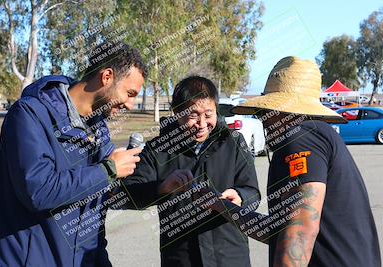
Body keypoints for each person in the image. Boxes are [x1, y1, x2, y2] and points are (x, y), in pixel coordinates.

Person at [205, 56, 381, 267]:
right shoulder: (315, 135)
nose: (262, 119)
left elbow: (299, 235)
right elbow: (282, 233)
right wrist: (222, 206)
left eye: (264, 111)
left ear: (282, 110)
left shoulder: (301, 137)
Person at [0, 41, 147, 266]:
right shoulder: (29, 114)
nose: (131, 104)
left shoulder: (98, 129)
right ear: (107, 76)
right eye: (129, 93)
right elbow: (38, 191)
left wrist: (159, 188)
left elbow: (93, 206)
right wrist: (107, 170)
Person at [122, 76, 260, 267]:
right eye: (193, 115)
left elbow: (253, 192)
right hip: (180, 259)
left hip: (230, 257)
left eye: (208, 114)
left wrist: (240, 197)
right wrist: (161, 188)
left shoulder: (234, 142)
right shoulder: (158, 149)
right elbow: (128, 195)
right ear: (177, 113)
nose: (202, 124)